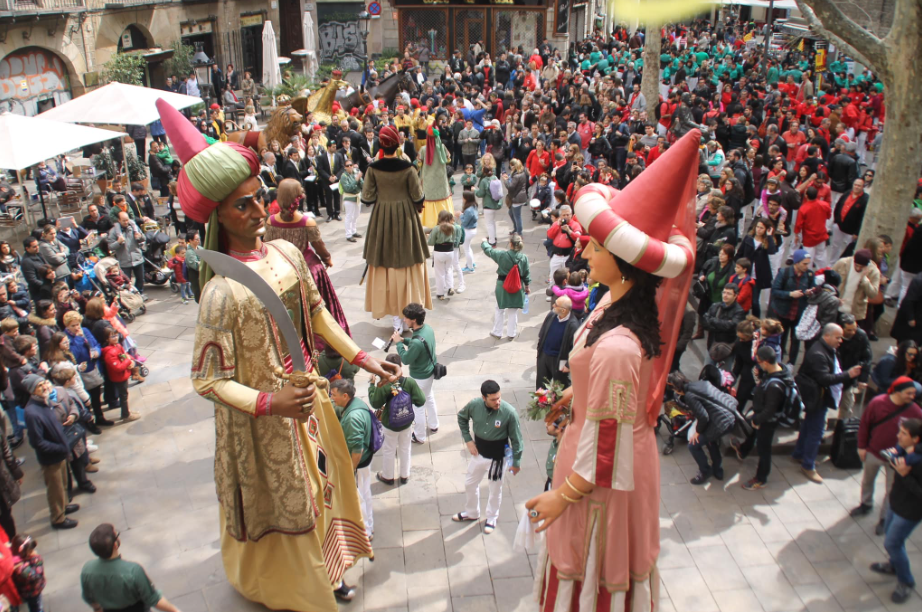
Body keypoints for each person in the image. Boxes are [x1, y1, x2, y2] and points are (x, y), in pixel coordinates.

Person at [156, 97, 398, 610]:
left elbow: (316, 314)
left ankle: (333, 569)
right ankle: (296, 586)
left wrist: (361, 357)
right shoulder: (219, 293)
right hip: (261, 425)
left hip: (310, 401)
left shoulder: (287, 252)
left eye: (258, 197)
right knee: (295, 501)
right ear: (217, 216)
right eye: (241, 205)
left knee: (326, 487)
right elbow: (208, 380)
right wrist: (270, 404)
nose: (257, 211)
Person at [527, 129, 699, 608]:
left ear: (625, 265)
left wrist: (563, 496)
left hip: (598, 482)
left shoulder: (619, 347)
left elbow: (608, 442)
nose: (583, 252)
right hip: (593, 449)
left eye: (596, 248)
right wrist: (571, 397)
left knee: (589, 568)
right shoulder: (612, 303)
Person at [361, 125, 432, 332]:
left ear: (380, 145)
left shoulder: (373, 169)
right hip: (406, 219)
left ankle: (394, 320)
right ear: (398, 144)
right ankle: (408, 314)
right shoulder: (408, 168)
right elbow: (418, 196)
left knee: (385, 264)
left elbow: (367, 198)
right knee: (408, 263)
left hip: (381, 220)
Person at [264, 179, 351, 338]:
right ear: (297, 197)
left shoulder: (271, 221)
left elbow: (267, 245)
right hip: (306, 269)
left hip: (279, 269)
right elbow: (318, 246)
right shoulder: (306, 222)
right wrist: (327, 259)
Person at [452, 380, 523, 534]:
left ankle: (492, 517)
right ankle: (472, 512)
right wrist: (468, 440)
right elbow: (461, 418)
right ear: (483, 398)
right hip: (479, 454)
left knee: (495, 489)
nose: (497, 402)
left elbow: (517, 440)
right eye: (493, 399)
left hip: (497, 458)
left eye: (499, 398)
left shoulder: (509, 413)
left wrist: (516, 462)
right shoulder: (474, 405)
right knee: (470, 483)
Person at [794, 323, 862, 483]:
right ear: (827, 336)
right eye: (838, 337)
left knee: (808, 425)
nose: (841, 341)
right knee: (816, 431)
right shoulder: (819, 353)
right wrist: (848, 374)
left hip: (817, 396)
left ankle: (799, 453)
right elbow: (824, 378)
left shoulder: (825, 348)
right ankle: (808, 465)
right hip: (818, 397)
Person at [852, 377, 922, 531]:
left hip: (897, 459)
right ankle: (866, 504)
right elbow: (865, 424)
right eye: (908, 393)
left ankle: (884, 518)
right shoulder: (877, 403)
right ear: (897, 391)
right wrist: (861, 446)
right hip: (874, 452)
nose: (912, 397)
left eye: (913, 393)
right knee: (867, 481)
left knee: (891, 488)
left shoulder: (915, 411)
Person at [869, 418, 922, 604]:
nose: (898, 435)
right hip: (895, 502)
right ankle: (894, 566)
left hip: (909, 512)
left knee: (892, 543)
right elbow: (896, 460)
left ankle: (906, 581)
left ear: (916, 439)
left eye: (903, 434)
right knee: (891, 540)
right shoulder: (904, 450)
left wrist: (904, 474)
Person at [80, 523, 182, 612]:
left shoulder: (87, 570)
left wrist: (98, 609)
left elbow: (90, 598)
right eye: (117, 535)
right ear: (115, 545)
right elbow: (153, 599)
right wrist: (175, 610)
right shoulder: (133, 571)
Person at [23, 374, 80, 529]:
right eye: (39, 386)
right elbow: (37, 442)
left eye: (44, 383)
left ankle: (64, 506)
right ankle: (58, 518)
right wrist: (59, 448)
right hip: (51, 459)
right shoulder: (32, 412)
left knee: (62, 485)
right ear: (32, 391)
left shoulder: (45, 402)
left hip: (60, 454)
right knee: (55, 489)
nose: (45, 387)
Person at [739, 345, 796, 489]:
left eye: (758, 361)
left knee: (764, 448)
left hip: (767, 421)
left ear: (765, 362)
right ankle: (743, 450)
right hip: (762, 415)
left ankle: (761, 478)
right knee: (753, 434)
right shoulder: (778, 372)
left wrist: (756, 420)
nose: (757, 364)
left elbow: (770, 410)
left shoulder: (775, 386)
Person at [668, 372, 738, 484]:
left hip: (720, 422)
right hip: (729, 414)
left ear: (676, 388)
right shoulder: (701, 383)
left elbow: (703, 417)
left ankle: (705, 471)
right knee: (711, 441)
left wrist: (698, 431)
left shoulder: (689, 396)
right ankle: (717, 469)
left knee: (693, 445)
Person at [370, 353, 426, 486]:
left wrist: (372, 386)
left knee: (389, 449)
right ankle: (404, 475)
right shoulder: (409, 382)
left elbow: (375, 403)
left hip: (390, 424)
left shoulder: (384, 385)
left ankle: (388, 476)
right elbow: (421, 400)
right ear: (400, 366)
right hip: (406, 422)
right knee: (405, 448)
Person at [329, 379, 375, 540]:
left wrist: (350, 470)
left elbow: (357, 450)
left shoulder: (351, 418)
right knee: (365, 492)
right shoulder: (356, 403)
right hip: (364, 460)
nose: (332, 398)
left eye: (334, 395)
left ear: (345, 396)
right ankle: (368, 524)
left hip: (359, 463)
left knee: (360, 495)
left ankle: (366, 530)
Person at [392, 303, 439, 444]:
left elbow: (406, 359)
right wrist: (403, 340)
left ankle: (419, 435)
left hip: (419, 377)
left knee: (417, 406)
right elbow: (417, 342)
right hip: (430, 373)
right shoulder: (427, 329)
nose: (404, 320)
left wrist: (398, 344)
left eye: (406, 318)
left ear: (413, 320)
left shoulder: (417, 342)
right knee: (429, 397)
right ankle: (434, 424)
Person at [768, 249, 815, 364]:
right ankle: (778, 361)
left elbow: (813, 291)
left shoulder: (809, 275)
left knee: (796, 339)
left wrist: (810, 293)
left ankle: (791, 363)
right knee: (781, 338)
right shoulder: (784, 273)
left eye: (808, 263)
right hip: (783, 312)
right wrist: (790, 294)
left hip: (798, 314)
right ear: (796, 262)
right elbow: (775, 291)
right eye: (804, 263)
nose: (806, 266)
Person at [482, 234, 530, 340]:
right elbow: (526, 274)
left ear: (511, 244)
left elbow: (489, 251)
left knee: (499, 308)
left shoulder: (502, 255)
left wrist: (484, 242)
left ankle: (497, 332)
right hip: (518, 286)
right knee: (513, 311)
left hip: (502, 285)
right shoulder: (524, 258)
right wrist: (527, 286)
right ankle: (511, 333)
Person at [536, 296, 580, 388]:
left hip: (559, 359)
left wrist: (568, 365)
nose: (553, 305)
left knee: (560, 387)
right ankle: (540, 402)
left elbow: (576, 348)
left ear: (563, 310)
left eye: (556, 305)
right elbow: (543, 332)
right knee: (541, 385)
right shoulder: (551, 315)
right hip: (544, 355)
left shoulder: (573, 326)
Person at [837, 313, 873, 419]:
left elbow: (866, 358)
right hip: (831, 375)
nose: (853, 332)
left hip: (849, 377)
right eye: (849, 330)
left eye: (854, 329)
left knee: (847, 407)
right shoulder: (833, 334)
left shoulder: (861, 336)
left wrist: (863, 379)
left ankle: (841, 429)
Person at [418, 126, 454, 228]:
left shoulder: (423, 150)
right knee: (442, 196)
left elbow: (419, 164)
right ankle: (446, 219)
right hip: (441, 180)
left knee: (428, 198)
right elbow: (448, 160)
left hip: (428, 180)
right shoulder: (442, 147)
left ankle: (430, 222)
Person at [106, 211, 146, 298]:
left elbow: (143, 238)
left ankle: (140, 294)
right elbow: (110, 247)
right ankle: (130, 297)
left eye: (127, 220)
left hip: (137, 258)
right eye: (123, 220)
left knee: (140, 279)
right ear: (119, 220)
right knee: (126, 282)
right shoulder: (113, 232)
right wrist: (118, 242)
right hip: (124, 261)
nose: (126, 222)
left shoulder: (134, 228)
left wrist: (140, 236)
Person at [545, 205, 582, 288]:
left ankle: (566, 292)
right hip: (556, 254)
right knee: (553, 274)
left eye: (568, 215)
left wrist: (569, 231)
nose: (566, 217)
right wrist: (556, 225)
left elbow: (578, 237)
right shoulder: (557, 223)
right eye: (563, 215)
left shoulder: (575, 225)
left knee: (567, 276)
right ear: (560, 215)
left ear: (571, 215)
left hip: (568, 255)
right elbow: (550, 235)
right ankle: (552, 291)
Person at [702, 283, 746, 348]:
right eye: (724, 292)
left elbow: (732, 326)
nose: (725, 295)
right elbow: (705, 322)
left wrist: (713, 321)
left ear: (735, 295)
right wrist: (722, 324)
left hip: (727, 346)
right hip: (712, 344)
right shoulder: (715, 306)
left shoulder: (739, 311)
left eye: (729, 293)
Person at [340, 158, 364, 243]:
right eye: (348, 165)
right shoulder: (344, 176)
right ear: (345, 167)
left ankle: (354, 231)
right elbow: (348, 188)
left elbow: (362, 185)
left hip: (357, 197)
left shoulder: (355, 173)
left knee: (356, 215)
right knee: (349, 216)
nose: (350, 167)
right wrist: (356, 180)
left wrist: (359, 178)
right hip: (349, 198)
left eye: (351, 165)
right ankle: (348, 234)